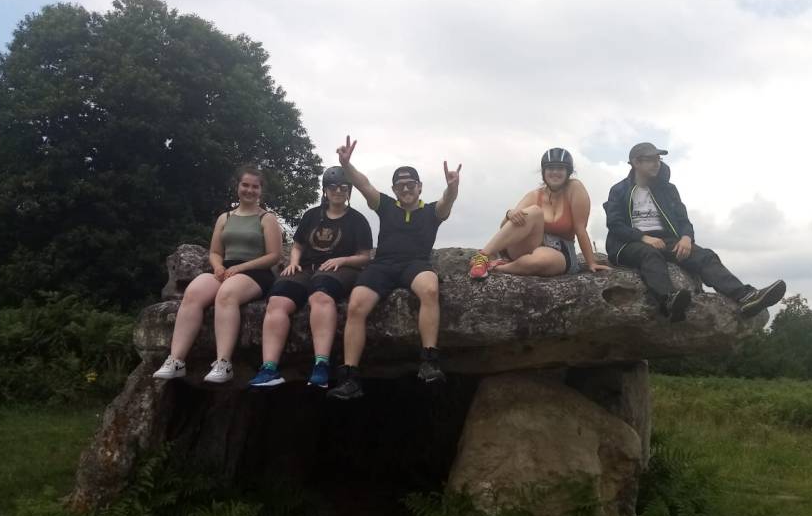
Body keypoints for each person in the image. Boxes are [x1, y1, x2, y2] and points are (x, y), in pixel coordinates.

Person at [327, 135, 461, 401]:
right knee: (356, 305)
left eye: (411, 184)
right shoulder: (385, 205)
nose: (406, 189)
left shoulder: (432, 212)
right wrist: (346, 164)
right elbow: (363, 184)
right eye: (400, 185)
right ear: (394, 188)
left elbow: (447, 201)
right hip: (383, 265)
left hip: (416, 264)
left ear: (420, 187)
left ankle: (429, 361)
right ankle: (350, 377)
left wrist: (453, 187)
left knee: (429, 289)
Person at [604, 142, 786, 322]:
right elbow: (614, 224)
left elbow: (683, 220)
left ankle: (746, 297)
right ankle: (668, 301)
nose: (656, 163)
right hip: (628, 243)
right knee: (650, 254)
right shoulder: (619, 190)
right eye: (651, 159)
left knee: (705, 256)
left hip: (667, 239)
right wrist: (643, 237)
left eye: (658, 159)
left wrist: (686, 238)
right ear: (636, 162)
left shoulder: (668, 189)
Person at [153, 165, 283, 382]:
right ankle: (176, 360)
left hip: (256, 271)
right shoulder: (225, 218)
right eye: (245, 185)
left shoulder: (267, 218)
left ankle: (223, 363)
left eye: (255, 187)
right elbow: (215, 252)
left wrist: (241, 268)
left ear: (261, 190)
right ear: (237, 186)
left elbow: (274, 256)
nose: (249, 190)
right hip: (226, 269)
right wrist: (218, 267)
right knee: (193, 292)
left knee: (226, 294)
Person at [248, 166, 373, 389]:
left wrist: (343, 260)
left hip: (342, 269)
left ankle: (321, 364)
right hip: (306, 267)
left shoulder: (357, 220)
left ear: (349, 190)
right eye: (333, 187)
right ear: (325, 190)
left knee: (320, 295)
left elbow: (364, 256)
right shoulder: (312, 215)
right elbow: (297, 245)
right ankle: (269, 368)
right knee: (277, 299)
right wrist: (293, 262)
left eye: (343, 187)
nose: (338, 191)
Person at [467, 148, 611, 279]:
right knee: (533, 212)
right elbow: (508, 226)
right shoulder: (534, 195)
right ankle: (482, 257)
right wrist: (509, 213)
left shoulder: (575, 188)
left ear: (568, 171)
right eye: (550, 168)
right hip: (528, 246)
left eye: (560, 168)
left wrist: (591, 262)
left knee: (540, 261)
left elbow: (580, 229)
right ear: (543, 172)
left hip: (560, 250)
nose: (555, 172)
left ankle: (497, 267)